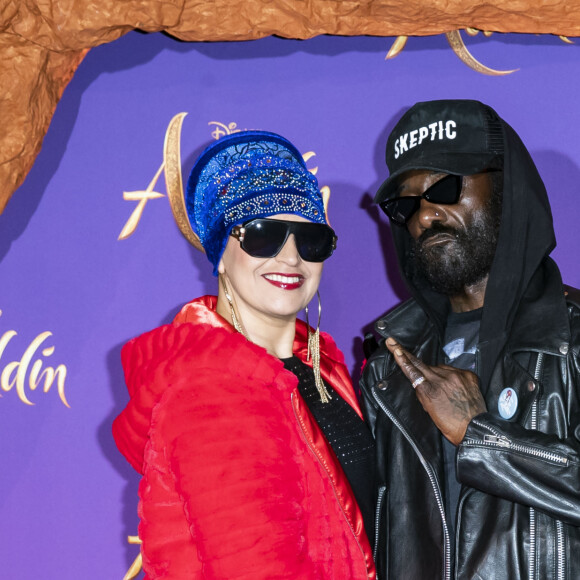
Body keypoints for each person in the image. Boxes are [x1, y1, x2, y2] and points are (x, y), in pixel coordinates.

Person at [113, 127, 376, 579]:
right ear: (219, 254)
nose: (291, 257)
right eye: (263, 235)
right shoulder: (212, 388)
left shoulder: (320, 369)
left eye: (310, 240)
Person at [360, 99, 580, 579]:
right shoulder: (386, 371)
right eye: (406, 204)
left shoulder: (573, 338)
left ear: (506, 190)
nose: (425, 216)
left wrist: (483, 437)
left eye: (444, 187)